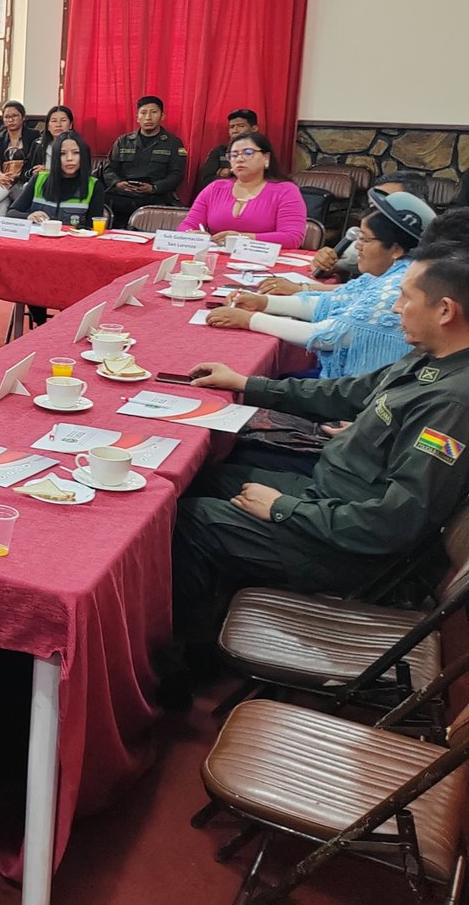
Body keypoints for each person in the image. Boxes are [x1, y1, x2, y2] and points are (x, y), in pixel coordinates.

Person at [170, 244, 469, 676]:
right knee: (198, 477)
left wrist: (283, 509)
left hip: (349, 546)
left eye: (405, 298)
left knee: (190, 520)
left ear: (445, 311)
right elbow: (347, 393)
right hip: (331, 497)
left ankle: (187, 665)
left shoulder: (453, 404)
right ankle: (214, 609)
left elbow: (393, 523)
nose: (395, 308)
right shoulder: (433, 355)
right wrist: (248, 384)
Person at [205, 191, 436, 378]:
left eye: (365, 239)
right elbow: (329, 302)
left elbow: (328, 336)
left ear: (396, 249)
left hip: (357, 396)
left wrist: (249, 320)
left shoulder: (396, 286)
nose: (357, 246)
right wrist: (264, 302)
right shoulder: (391, 272)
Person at [177, 131, 308, 248]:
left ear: (266, 158)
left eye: (248, 153)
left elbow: (292, 238)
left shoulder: (286, 191)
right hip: (216, 259)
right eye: (234, 155)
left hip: (264, 261)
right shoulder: (215, 188)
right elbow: (186, 226)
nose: (239, 159)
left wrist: (243, 238)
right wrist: (192, 234)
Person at [305, 171, 427, 283]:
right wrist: (323, 261)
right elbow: (328, 268)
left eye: (387, 205)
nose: (375, 213)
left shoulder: (429, 257)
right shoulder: (370, 242)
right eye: (373, 205)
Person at [101, 95, 188, 227]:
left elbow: (176, 175)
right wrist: (118, 183)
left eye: (153, 112)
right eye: (143, 113)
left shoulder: (173, 143)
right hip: (123, 196)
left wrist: (154, 188)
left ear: (162, 116)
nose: (148, 117)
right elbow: (109, 169)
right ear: (137, 117)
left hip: (155, 197)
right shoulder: (123, 141)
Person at [9, 129, 106, 229]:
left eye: (76, 153)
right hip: (39, 237)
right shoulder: (38, 179)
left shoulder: (94, 186)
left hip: (73, 238)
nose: (69, 158)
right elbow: (12, 213)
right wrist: (28, 216)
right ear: (55, 157)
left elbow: (93, 228)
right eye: (62, 154)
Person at [196, 109, 258, 185]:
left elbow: (267, 178)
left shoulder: (261, 151)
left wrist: (231, 172)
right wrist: (224, 177)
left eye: (241, 126)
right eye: (231, 127)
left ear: (254, 128)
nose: (235, 130)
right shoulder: (220, 151)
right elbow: (206, 182)